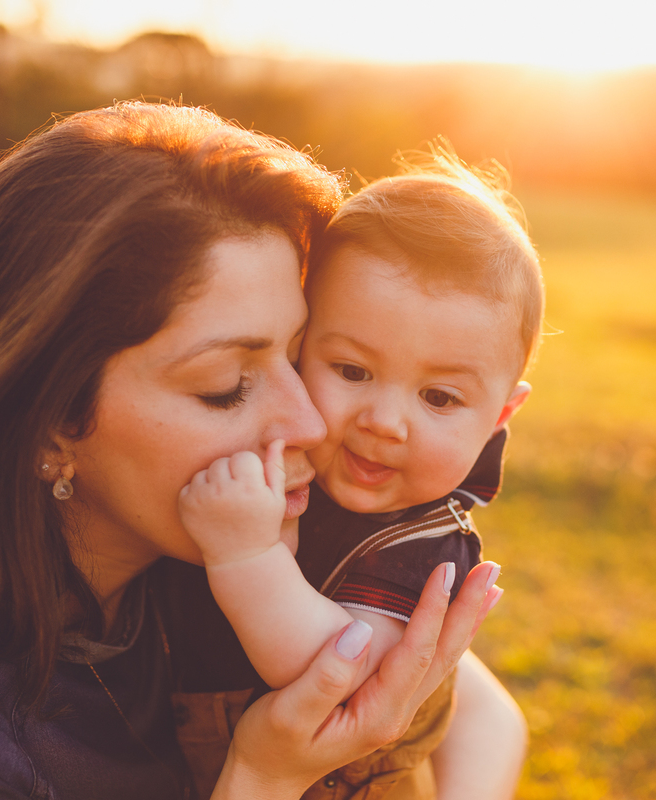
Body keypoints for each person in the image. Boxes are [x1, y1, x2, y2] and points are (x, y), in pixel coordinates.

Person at [0, 103, 518, 800]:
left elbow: (477, 706)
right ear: (48, 420)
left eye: (299, 353)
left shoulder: (189, 550)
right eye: (225, 387)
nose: (314, 421)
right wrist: (264, 778)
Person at [177, 153, 541, 799]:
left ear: (500, 417)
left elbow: (339, 675)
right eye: (352, 371)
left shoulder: (426, 549)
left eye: (439, 398)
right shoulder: (293, 465)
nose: (385, 422)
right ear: (299, 348)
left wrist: (248, 554)